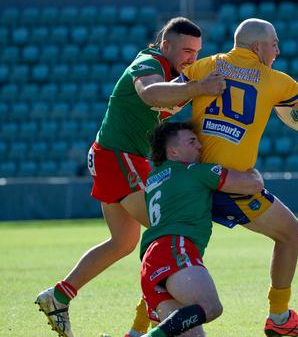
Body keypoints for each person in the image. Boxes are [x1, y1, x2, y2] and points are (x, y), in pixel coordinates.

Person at [36, 17, 226, 337]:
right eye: (185, 50)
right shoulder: (148, 62)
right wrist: (198, 87)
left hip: (116, 157)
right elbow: (150, 94)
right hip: (119, 157)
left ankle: (59, 296)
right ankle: (142, 329)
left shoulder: (178, 77)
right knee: (166, 230)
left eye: (196, 52)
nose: (191, 57)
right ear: (165, 45)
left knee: (123, 242)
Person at [145, 18, 298, 336]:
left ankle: (138, 330)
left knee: (173, 255)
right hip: (230, 184)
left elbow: (163, 98)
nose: (277, 51)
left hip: (192, 180)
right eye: (274, 44)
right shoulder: (274, 80)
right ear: (258, 47)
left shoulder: (207, 65)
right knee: (291, 234)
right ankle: (280, 318)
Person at [140, 121, 264, 337]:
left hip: (151, 260)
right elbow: (252, 185)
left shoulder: (153, 179)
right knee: (211, 307)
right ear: (173, 151)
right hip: (174, 247)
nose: (200, 146)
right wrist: (251, 169)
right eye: (192, 141)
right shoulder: (195, 172)